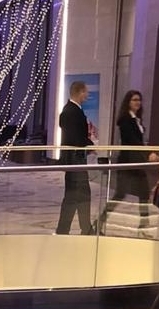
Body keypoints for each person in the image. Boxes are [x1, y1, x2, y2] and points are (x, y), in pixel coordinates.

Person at [97, 90, 159, 232]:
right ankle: (100, 222)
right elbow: (133, 142)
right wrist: (148, 155)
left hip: (137, 164)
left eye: (139, 100)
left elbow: (139, 143)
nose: (138, 102)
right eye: (134, 100)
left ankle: (143, 227)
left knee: (144, 194)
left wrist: (148, 154)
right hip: (128, 164)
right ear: (128, 102)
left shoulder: (136, 119)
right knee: (120, 195)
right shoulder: (125, 120)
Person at [55, 80, 94, 235]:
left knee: (74, 196)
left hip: (75, 160)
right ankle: (84, 229)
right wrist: (89, 144)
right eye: (86, 92)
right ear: (80, 92)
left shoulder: (71, 110)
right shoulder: (71, 112)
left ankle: (72, 229)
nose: (87, 95)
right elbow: (76, 138)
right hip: (75, 159)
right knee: (79, 195)